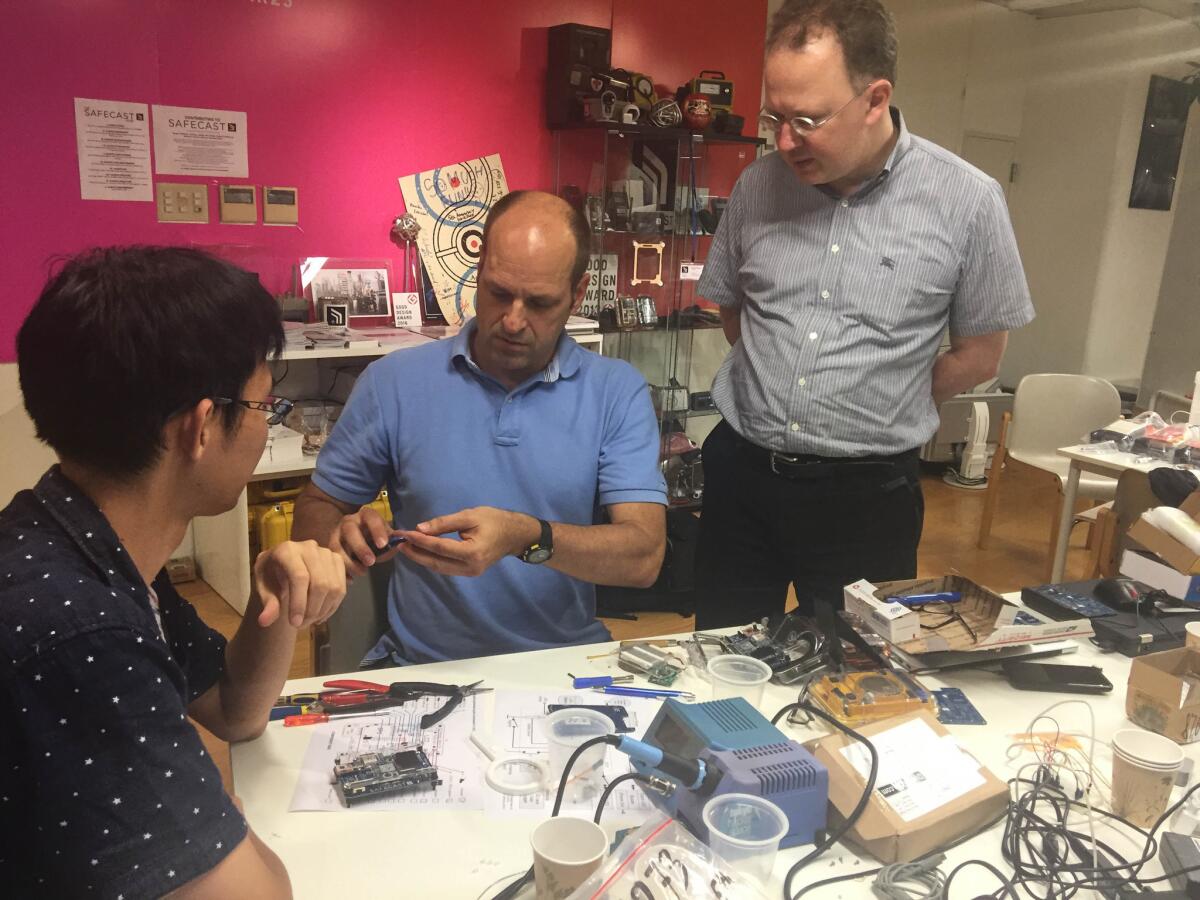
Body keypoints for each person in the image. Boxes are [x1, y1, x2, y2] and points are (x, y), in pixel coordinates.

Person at [0, 247, 347, 896]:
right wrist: (219, 803)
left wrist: (271, 595)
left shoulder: (84, 537)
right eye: (265, 408)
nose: (266, 426)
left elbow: (234, 713)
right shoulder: (79, 632)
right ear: (202, 427)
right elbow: (259, 893)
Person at [694, 0, 1035, 629]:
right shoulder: (758, 187)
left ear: (875, 99)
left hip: (866, 499)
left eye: (807, 119)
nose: (785, 140)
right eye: (776, 115)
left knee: (854, 682)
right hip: (743, 476)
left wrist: (884, 395)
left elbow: (980, 355)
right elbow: (735, 312)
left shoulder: (968, 202)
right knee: (722, 663)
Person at [292, 190, 667, 664]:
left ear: (577, 293)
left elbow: (644, 556)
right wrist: (339, 535)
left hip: (563, 665)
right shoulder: (395, 382)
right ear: (478, 270)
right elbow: (318, 507)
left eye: (540, 303)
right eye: (498, 293)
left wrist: (527, 537)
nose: (513, 321)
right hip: (425, 666)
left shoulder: (616, 391)